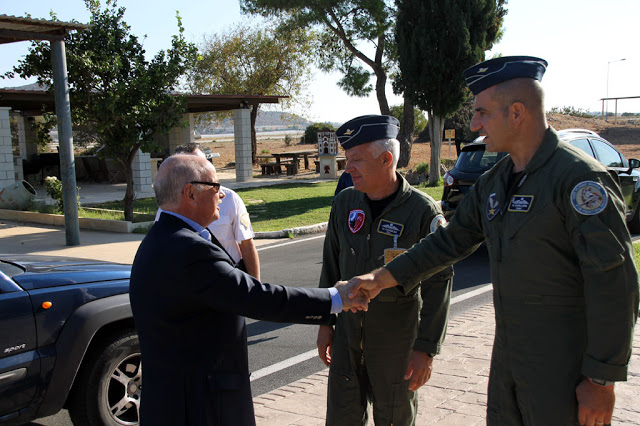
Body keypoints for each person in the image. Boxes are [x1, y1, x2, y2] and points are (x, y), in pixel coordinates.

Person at [344, 56, 639, 426]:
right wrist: (379, 280)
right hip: (508, 361)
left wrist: (601, 380)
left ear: (517, 113)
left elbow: (615, 284)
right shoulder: (495, 181)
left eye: (481, 112)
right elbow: (447, 243)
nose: (474, 124)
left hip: (564, 368)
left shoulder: (579, 181)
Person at [130, 154, 369, 426]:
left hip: (173, 401)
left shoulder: (161, 238)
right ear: (190, 193)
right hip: (199, 406)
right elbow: (257, 298)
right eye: (215, 186)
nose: (222, 195)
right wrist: (336, 298)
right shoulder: (189, 250)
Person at [318, 115, 453, 425]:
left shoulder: (422, 211)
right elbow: (331, 264)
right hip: (347, 337)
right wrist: (325, 322)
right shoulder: (344, 203)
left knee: (394, 419)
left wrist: (427, 348)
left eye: (356, 160)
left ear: (386, 159)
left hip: (397, 342)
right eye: (346, 159)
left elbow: (439, 283)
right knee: (341, 417)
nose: (347, 167)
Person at [155, 143, 261, 279]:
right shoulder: (169, 207)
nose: (220, 194)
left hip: (230, 279)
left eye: (202, 163)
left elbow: (247, 245)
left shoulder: (230, 198)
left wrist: (255, 286)